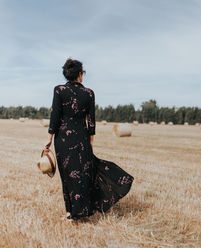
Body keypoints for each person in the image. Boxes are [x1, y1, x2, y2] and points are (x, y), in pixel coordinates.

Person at [45, 58, 134, 220]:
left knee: (67, 174)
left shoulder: (59, 90)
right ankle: (83, 209)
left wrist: (49, 138)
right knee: (84, 172)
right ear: (80, 74)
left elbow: (55, 116)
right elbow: (91, 121)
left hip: (63, 138)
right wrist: (91, 141)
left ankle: (70, 210)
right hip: (82, 137)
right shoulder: (89, 93)